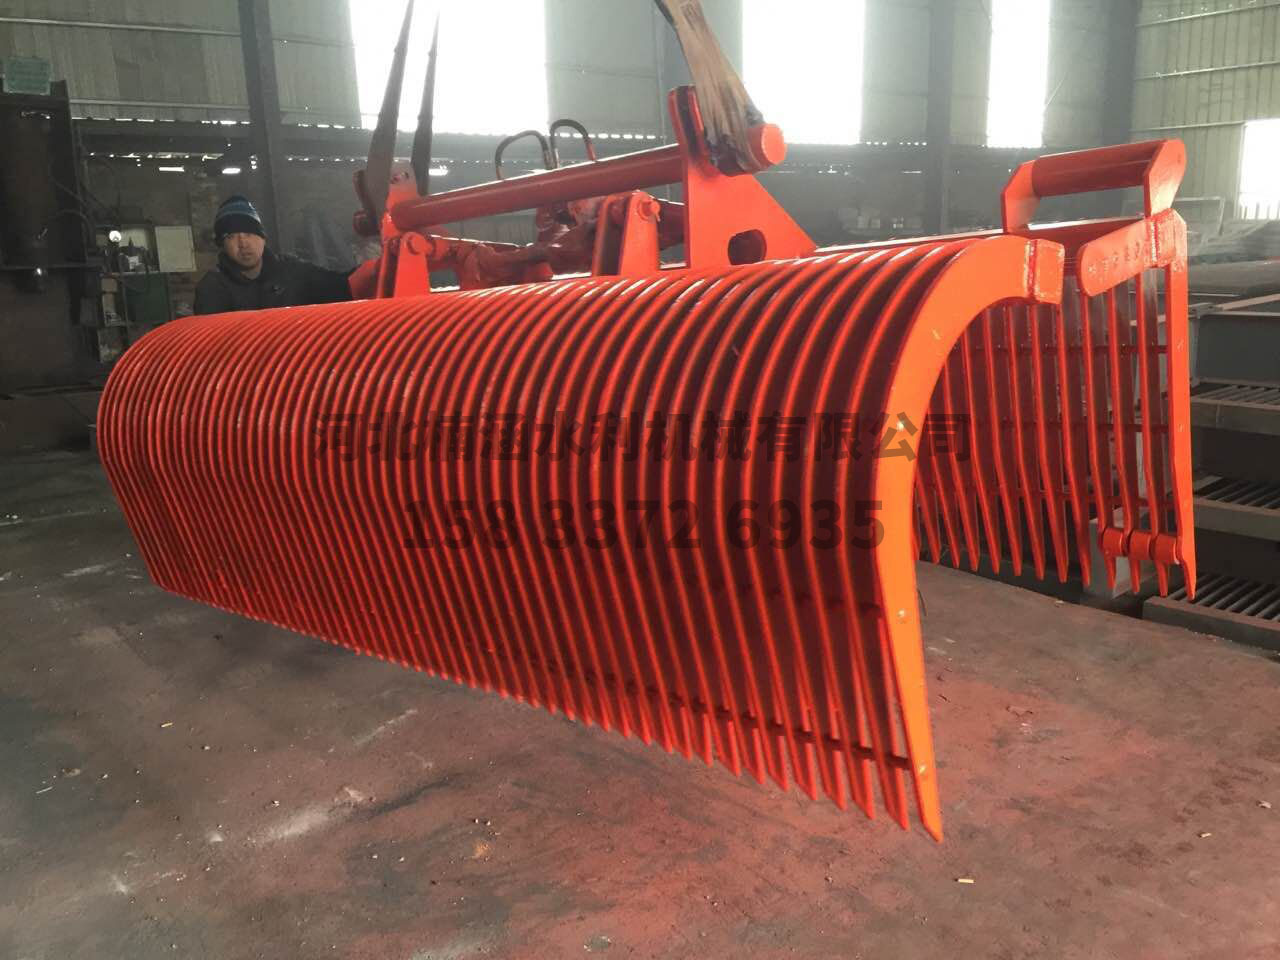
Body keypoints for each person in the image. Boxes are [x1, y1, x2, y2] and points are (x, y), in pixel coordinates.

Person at [193, 195, 375, 315]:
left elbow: (340, 287)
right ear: (222, 245)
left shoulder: (292, 272)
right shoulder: (213, 288)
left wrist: (374, 269)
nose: (243, 243)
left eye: (249, 234)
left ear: (262, 238)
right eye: (231, 237)